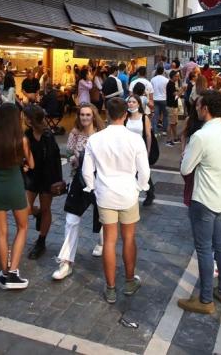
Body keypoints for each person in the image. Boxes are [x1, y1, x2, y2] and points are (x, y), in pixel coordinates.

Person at [82, 97, 149, 303]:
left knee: (109, 241)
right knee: (129, 238)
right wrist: (140, 187)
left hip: (105, 194)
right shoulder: (135, 139)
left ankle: (111, 287)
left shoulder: (95, 139)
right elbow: (144, 171)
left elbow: (87, 171)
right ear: (125, 114)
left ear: (106, 113)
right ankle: (129, 281)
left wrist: (92, 187)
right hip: (128, 193)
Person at [178, 90, 221, 314]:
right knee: (220, 244)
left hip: (203, 198)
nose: (198, 108)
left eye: (200, 105)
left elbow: (185, 168)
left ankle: (205, 299)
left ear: (206, 109)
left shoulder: (201, 136)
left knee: (204, 249)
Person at [53, 103, 106, 280]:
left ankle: (102, 241)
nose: (84, 118)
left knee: (102, 216)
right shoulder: (75, 133)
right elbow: (68, 153)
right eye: (82, 114)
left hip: (98, 180)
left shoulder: (101, 134)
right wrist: (73, 159)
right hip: (78, 180)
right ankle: (66, 261)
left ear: (94, 116)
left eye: (88, 115)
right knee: (71, 219)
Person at [0, 103, 34, 289]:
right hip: (15, 185)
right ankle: (13, 272)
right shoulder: (21, 139)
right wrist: (20, 161)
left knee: (1, 232)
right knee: (22, 227)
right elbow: (31, 163)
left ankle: (4, 272)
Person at [22, 104, 63, 259]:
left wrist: (57, 181)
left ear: (33, 118)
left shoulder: (47, 135)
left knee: (47, 209)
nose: (24, 118)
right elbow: (26, 155)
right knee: (26, 208)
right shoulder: (27, 133)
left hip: (48, 177)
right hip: (32, 176)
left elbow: (55, 159)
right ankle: (36, 212)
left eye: (26, 116)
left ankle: (41, 241)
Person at [125, 95, 155, 206]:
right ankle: (131, 194)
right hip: (127, 150)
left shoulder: (144, 118)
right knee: (130, 172)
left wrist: (148, 151)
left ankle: (150, 193)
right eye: (129, 102)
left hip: (140, 149)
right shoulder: (125, 117)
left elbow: (148, 135)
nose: (131, 104)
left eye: (133, 102)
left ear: (138, 104)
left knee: (143, 171)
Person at [151, 65, 169, 135]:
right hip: (164, 99)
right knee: (165, 115)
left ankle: (155, 132)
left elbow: (151, 90)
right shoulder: (166, 80)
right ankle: (164, 131)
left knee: (155, 116)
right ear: (163, 72)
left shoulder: (152, 79)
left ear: (156, 71)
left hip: (155, 99)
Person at [166, 69, 181, 146]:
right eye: (176, 76)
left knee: (174, 123)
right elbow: (176, 96)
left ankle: (175, 138)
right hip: (171, 106)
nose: (178, 78)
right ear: (172, 76)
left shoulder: (172, 84)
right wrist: (182, 90)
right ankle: (168, 140)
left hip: (172, 106)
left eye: (178, 76)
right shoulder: (171, 84)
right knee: (171, 123)